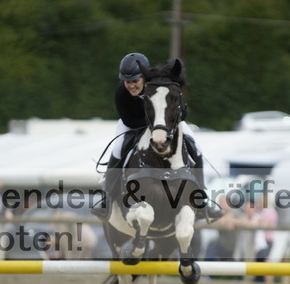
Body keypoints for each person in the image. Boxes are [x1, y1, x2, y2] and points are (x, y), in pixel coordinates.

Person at [91, 52, 223, 222]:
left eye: (135, 81)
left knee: (195, 146)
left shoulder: (159, 88)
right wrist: (154, 123)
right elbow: (129, 120)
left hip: (164, 125)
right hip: (133, 125)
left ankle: (201, 199)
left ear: (144, 79)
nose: (131, 85)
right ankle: (107, 198)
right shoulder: (121, 93)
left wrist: (164, 122)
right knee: (118, 148)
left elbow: (179, 111)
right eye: (127, 81)